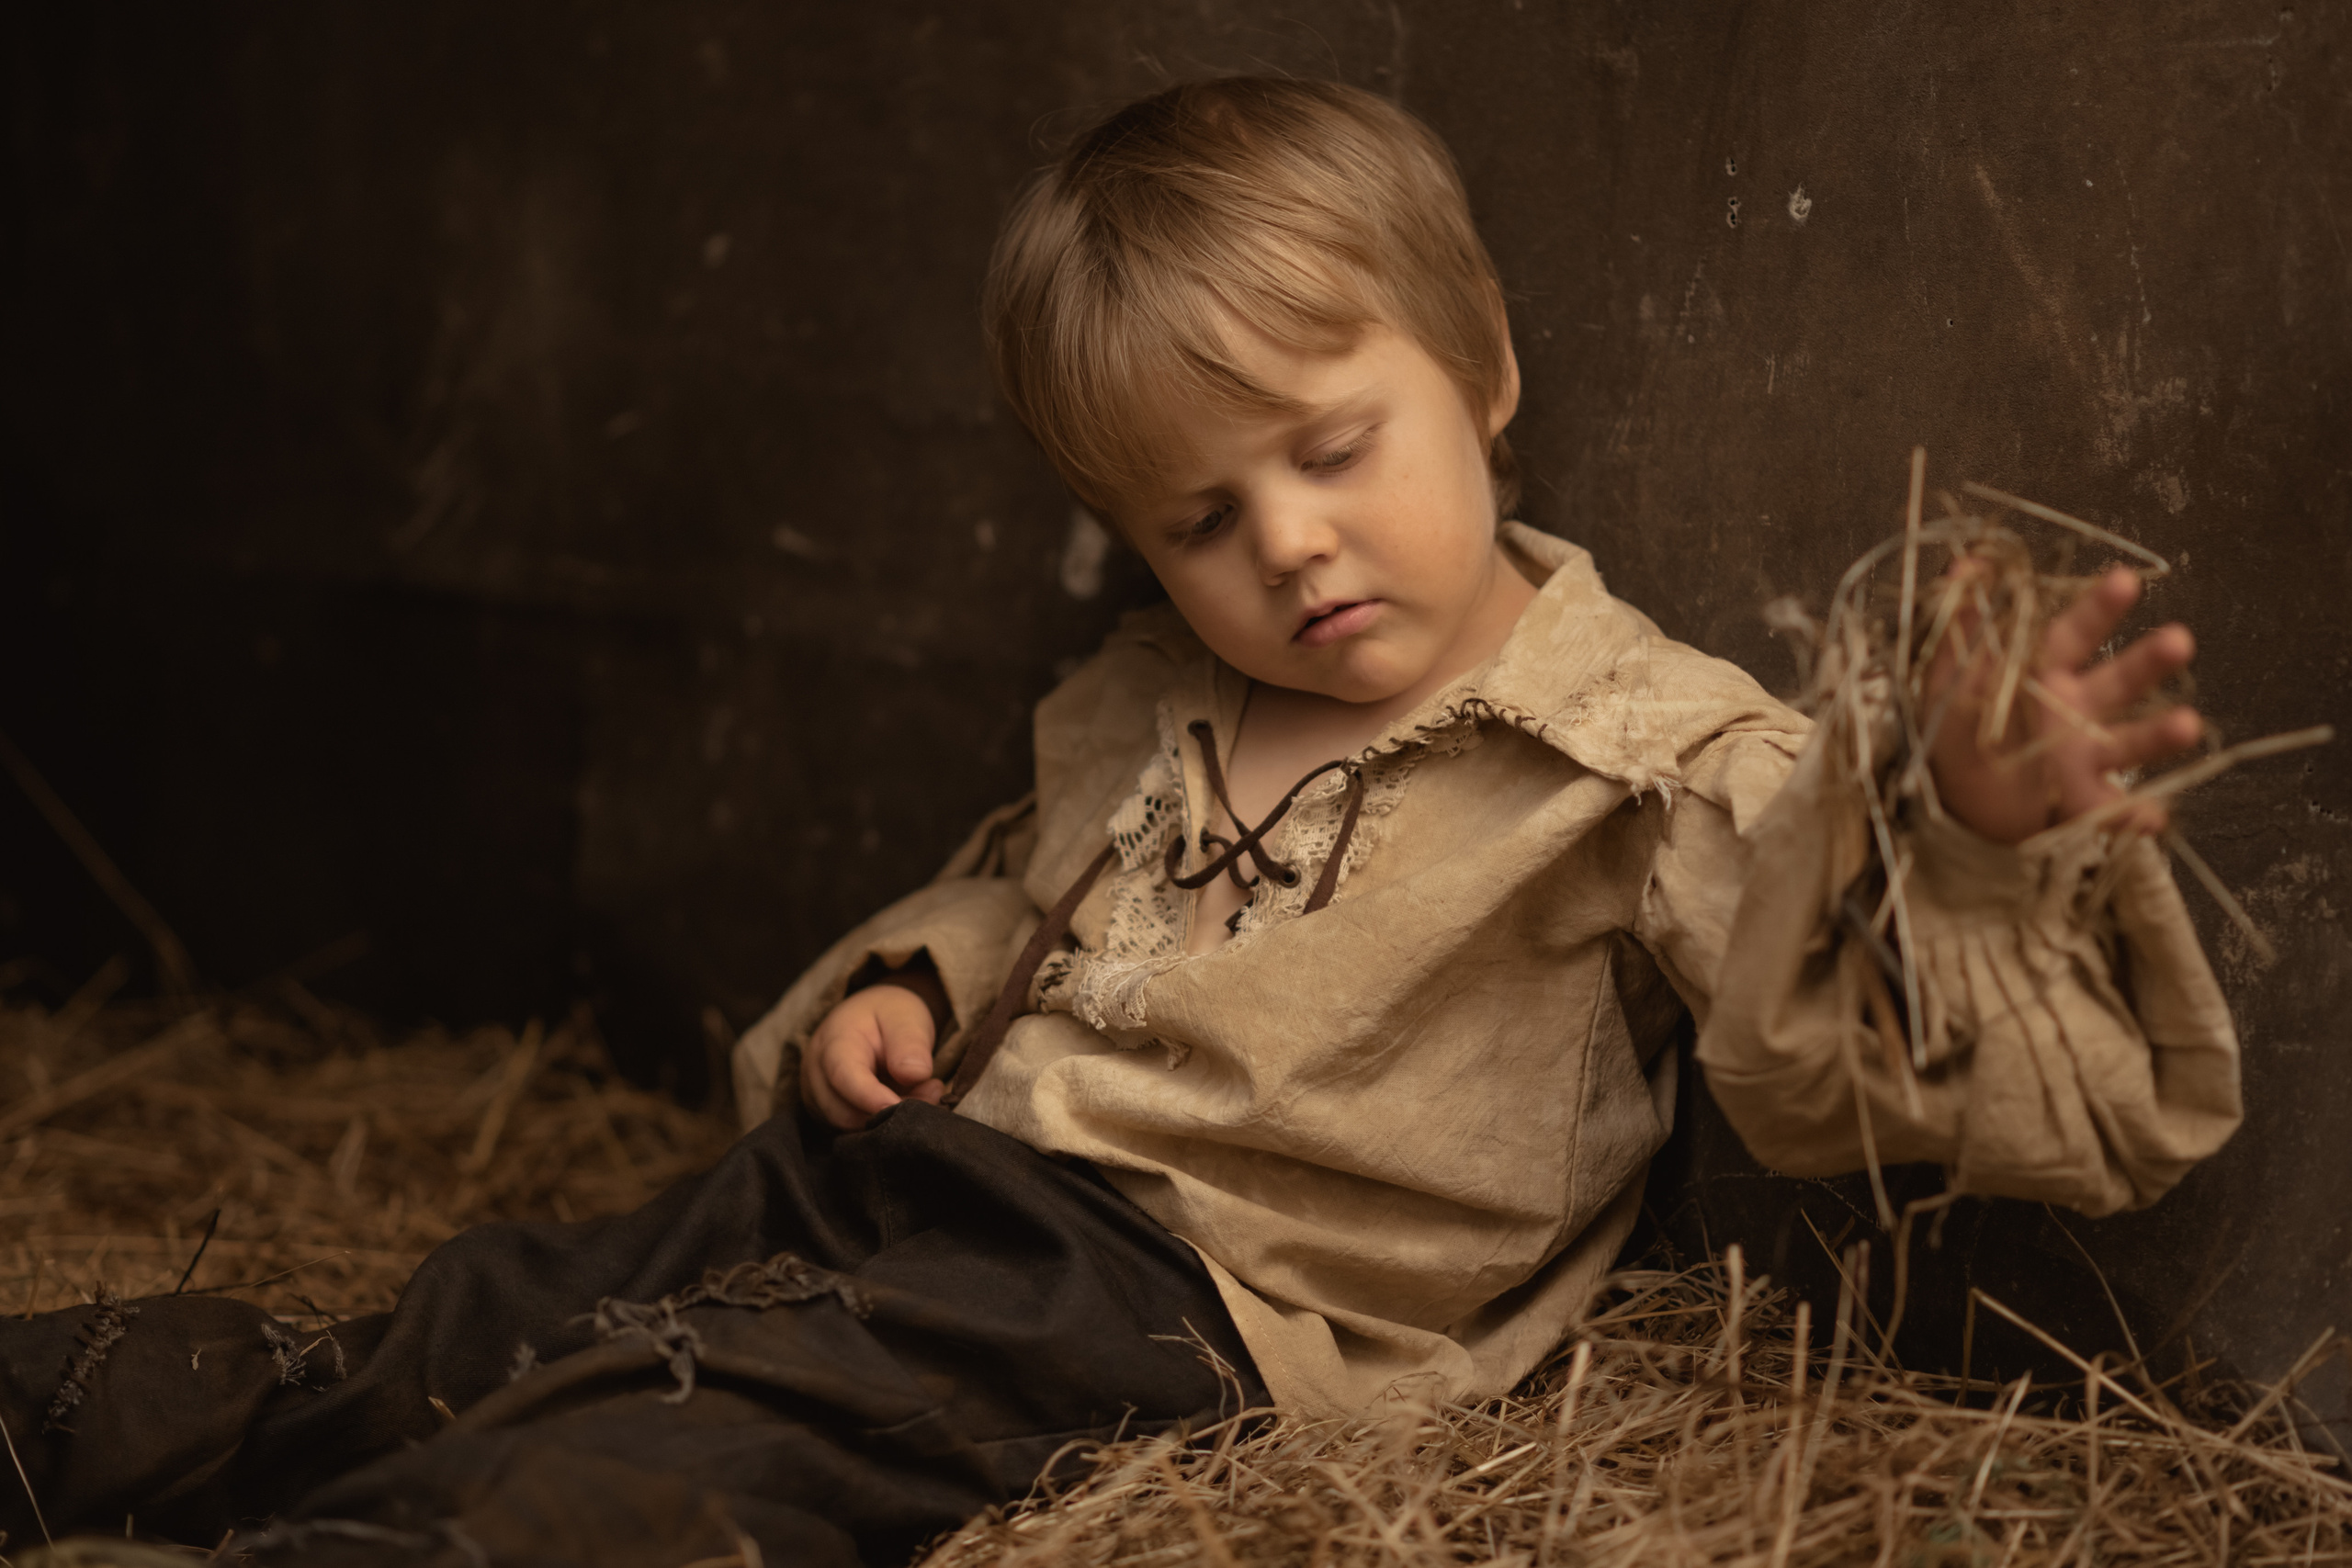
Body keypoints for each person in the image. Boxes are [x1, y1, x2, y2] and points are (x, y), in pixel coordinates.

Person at [0, 77, 2235, 1566]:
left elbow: (1808, 1023)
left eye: (1331, 443)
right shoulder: (1153, 707)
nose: (1288, 544)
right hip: (923, 1176)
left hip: (1167, 1296)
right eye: (1198, 512)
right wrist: (917, 975)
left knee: (692, 1428)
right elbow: (1041, 904)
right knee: (496, 1303)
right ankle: (78, 1423)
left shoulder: (1628, 749)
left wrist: (1946, 822)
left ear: (1481, 367)